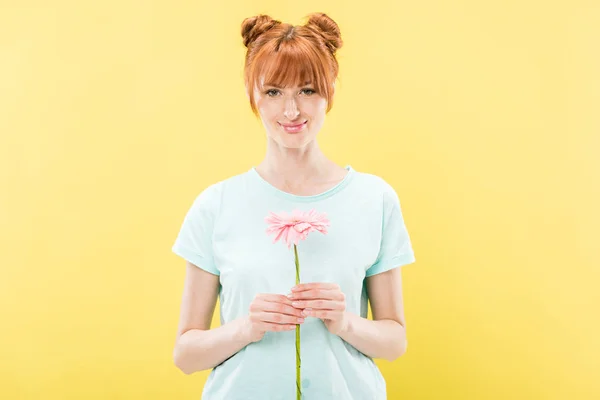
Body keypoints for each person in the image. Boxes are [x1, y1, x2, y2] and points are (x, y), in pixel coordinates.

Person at [171, 12, 416, 400]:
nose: (291, 111)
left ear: (330, 90)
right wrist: (247, 327)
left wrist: (344, 322)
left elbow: (394, 341)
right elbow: (185, 355)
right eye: (273, 92)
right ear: (252, 95)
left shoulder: (374, 199)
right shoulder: (216, 204)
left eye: (307, 90)